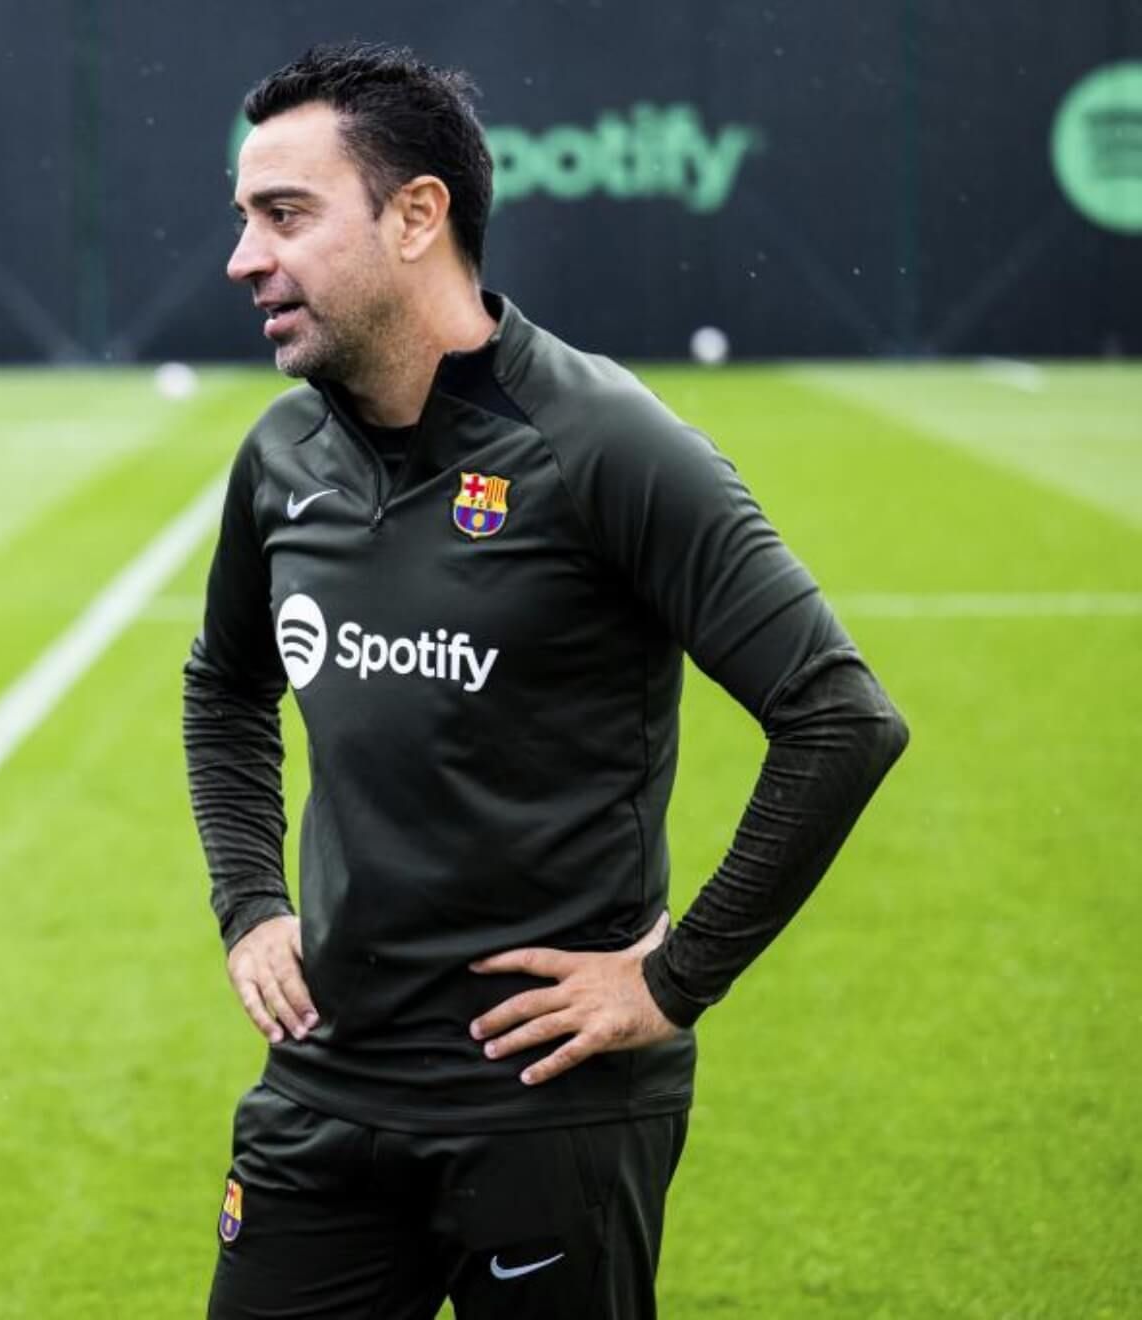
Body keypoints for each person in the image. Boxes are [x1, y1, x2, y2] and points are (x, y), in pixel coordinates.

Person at [184, 42, 908, 1319]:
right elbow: (225, 687)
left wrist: (674, 980)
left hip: (547, 1106)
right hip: (326, 1079)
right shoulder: (282, 454)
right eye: (245, 218)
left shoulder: (602, 443)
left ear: (418, 216)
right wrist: (250, 903)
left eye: (285, 215)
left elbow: (839, 717)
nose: (245, 257)